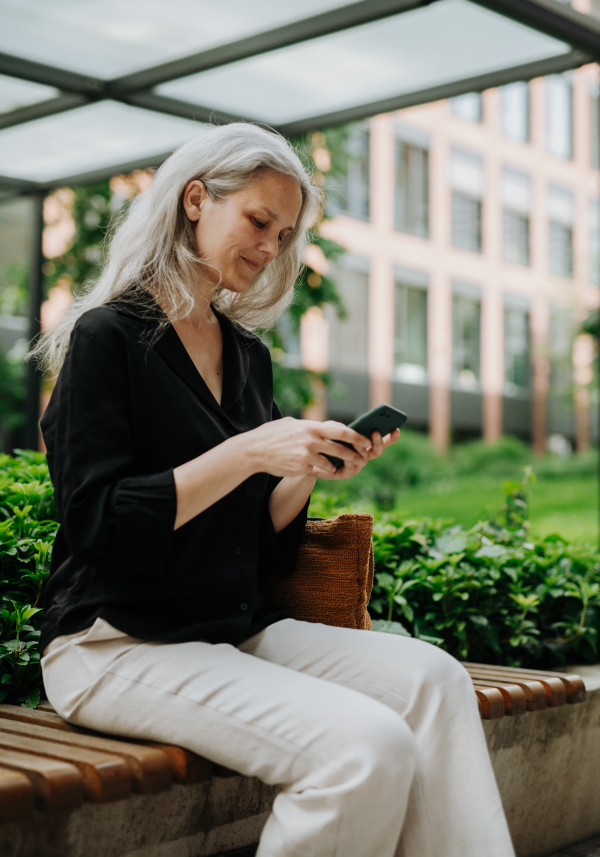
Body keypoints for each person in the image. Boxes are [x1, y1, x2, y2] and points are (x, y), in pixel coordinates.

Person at [35, 123, 514, 857]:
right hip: (115, 643)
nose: (269, 247)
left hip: (230, 627)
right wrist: (250, 449)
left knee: (435, 680)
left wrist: (298, 471)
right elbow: (100, 525)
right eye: (259, 221)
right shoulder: (108, 338)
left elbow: (257, 540)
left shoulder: (247, 356)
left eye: (285, 234)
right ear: (196, 200)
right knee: (365, 749)